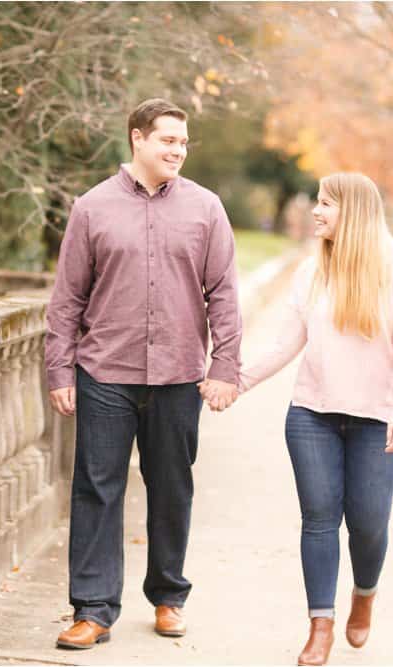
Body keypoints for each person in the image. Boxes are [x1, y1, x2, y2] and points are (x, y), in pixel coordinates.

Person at [45, 98, 243, 649]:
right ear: (137, 138)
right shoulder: (92, 208)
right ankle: (93, 609)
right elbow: (67, 300)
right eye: (168, 140)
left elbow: (223, 293)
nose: (178, 150)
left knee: (172, 489)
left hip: (180, 375)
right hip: (106, 370)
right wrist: (59, 368)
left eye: (183, 142)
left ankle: (168, 597)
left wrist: (225, 365)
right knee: (97, 490)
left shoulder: (206, 209)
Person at [234, 172, 393, 665]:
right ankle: (320, 626)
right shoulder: (312, 270)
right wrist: (237, 380)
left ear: (354, 211)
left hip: (375, 418)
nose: (315, 211)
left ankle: (364, 594)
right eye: (317, 202)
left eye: (325, 203)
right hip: (312, 414)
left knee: (368, 522)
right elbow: (285, 344)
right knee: (319, 519)